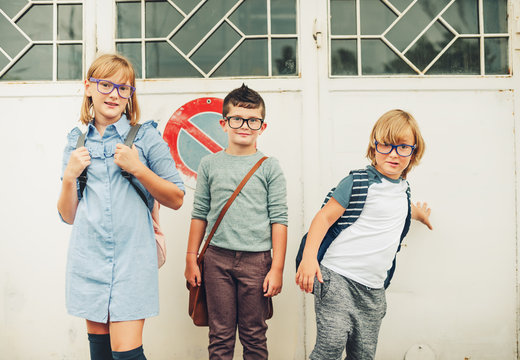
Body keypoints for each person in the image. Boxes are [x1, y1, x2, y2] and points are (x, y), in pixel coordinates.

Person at [57, 53, 185, 360]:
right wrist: (68, 178)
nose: (114, 94)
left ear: (130, 95)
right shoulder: (76, 142)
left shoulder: (145, 137)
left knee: (126, 355)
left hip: (132, 262)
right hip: (89, 261)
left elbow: (176, 198)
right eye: (106, 85)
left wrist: (138, 168)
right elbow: (68, 215)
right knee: (100, 355)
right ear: (88, 87)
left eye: (123, 88)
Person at [295, 109, 432, 360]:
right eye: (386, 146)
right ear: (374, 147)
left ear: (413, 152)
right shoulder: (358, 182)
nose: (393, 154)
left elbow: (395, 208)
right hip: (336, 278)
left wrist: (418, 214)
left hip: (374, 289)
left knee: (363, 354)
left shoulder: (403, 190)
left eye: (403, 147)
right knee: (331, 346)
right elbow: (324, 217)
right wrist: (308, 258)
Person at [184, 84, 288, 359]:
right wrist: (190, 258)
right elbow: (200, 213)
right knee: (220, 335)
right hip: (216, 260)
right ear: (224, 123)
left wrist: (277, 267)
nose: (245, 125)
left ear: (262, 127)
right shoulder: (209, 164)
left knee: (254, 334)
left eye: (253, 120)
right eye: (237, 119)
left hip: (257, 262)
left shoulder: (269, 166)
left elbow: (279, 219)